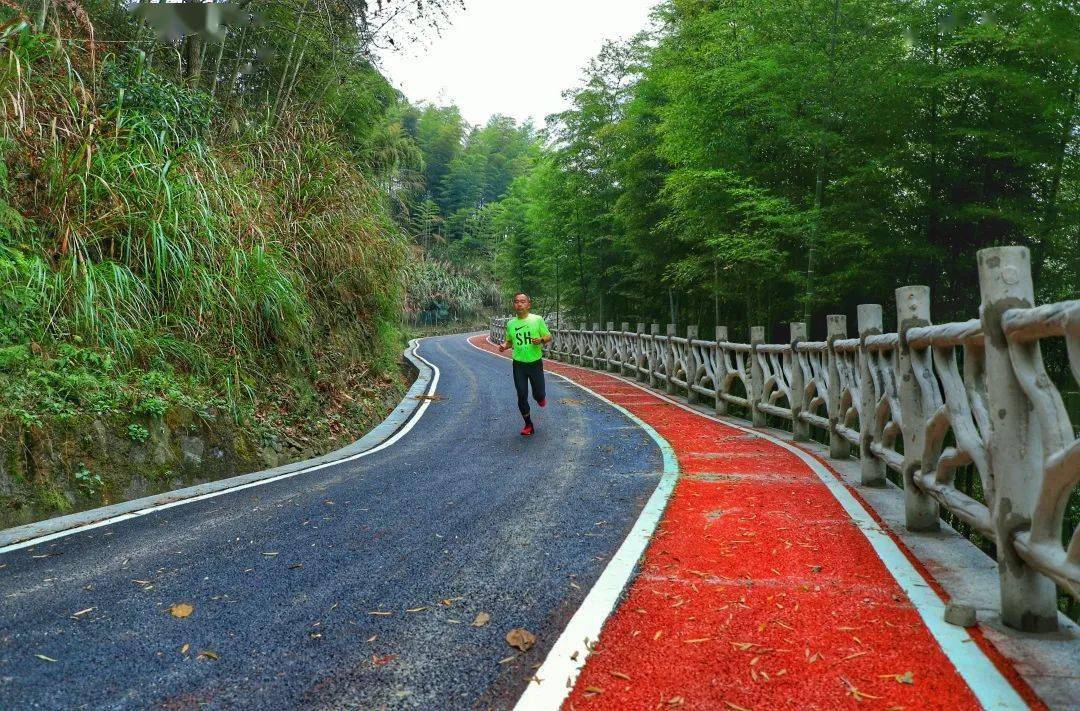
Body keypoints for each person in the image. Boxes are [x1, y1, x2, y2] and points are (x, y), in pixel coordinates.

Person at [498, 293, 552, 436]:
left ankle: (540, 397)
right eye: (516, 302)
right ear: (513, 305)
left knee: (539, 394)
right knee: (521, 395)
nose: (519, 304)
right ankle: (528, 425)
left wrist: (541, 339)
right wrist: (504, 345)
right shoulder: (511, 324)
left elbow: (548, 336)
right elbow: (510, 340)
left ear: (529, 304)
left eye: (523, 301)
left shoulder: (537, 320)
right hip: (519, 364)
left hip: (535, 363)